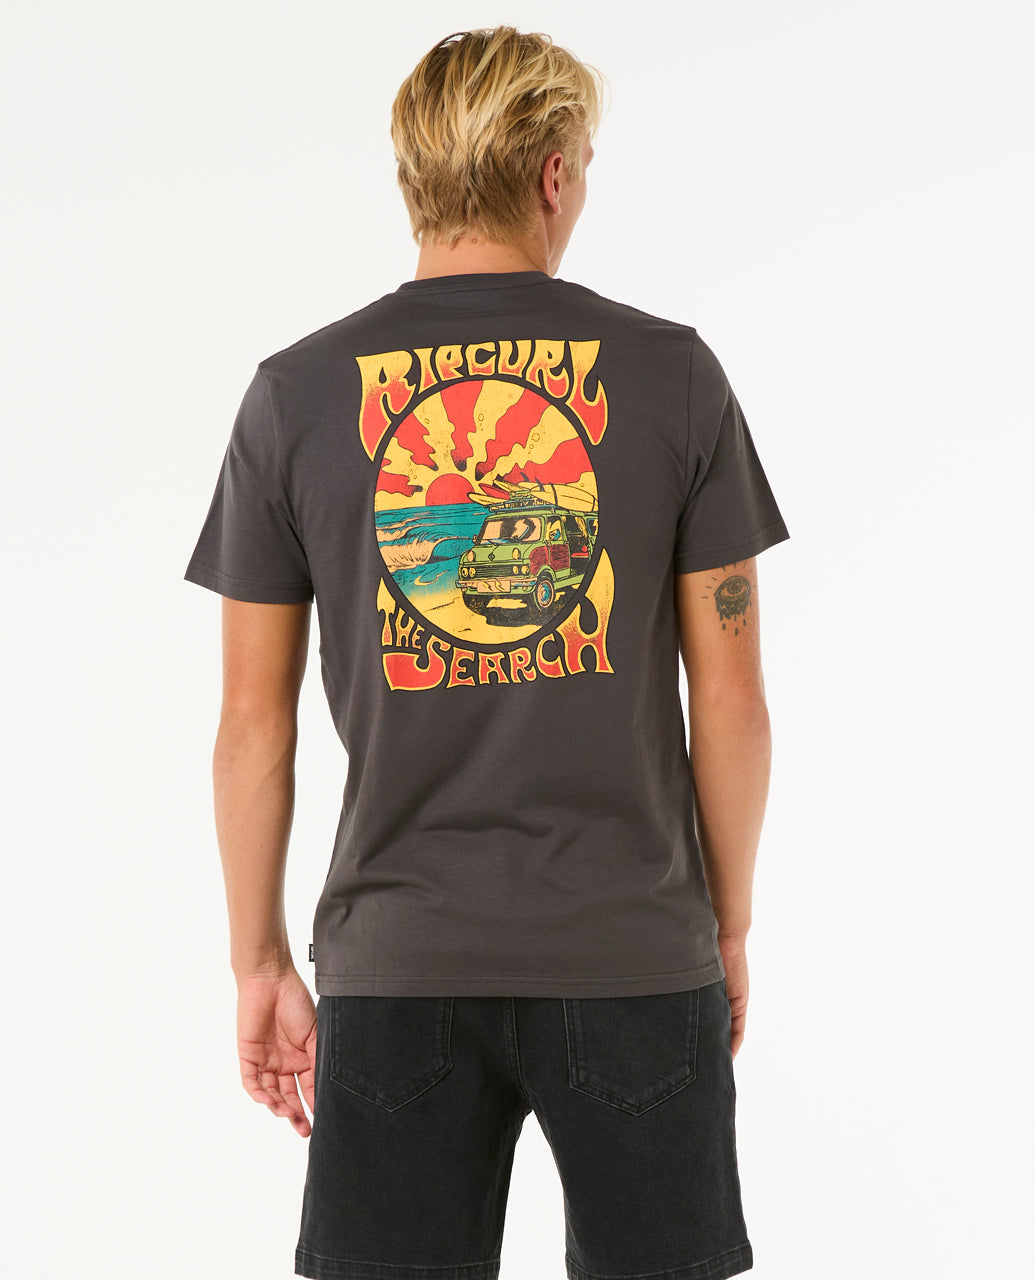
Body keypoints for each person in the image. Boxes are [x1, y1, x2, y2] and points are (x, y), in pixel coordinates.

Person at [183, 25, 789, 1280]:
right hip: (633, 950)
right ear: (554, 172)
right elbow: (730, 699)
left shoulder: (294, 396)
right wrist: (725, 927)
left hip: (396, 965)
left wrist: (258, 961)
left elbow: (251, 723)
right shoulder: (673, 376)